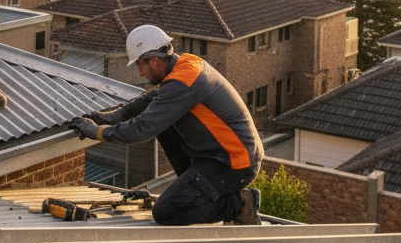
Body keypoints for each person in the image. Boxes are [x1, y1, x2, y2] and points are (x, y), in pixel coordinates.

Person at [71, 25, 263, 225]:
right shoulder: (184, 65)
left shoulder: (183, 82)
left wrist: (98, 132)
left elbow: (143, 128)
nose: (140, 73)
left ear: (154, 61)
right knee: (163, 123)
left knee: (166, 212)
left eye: (139, 65)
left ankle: (240, 204)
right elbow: (155, 98)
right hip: (219, 154)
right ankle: (195, 190)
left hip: (235, 163)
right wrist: (114, 116)